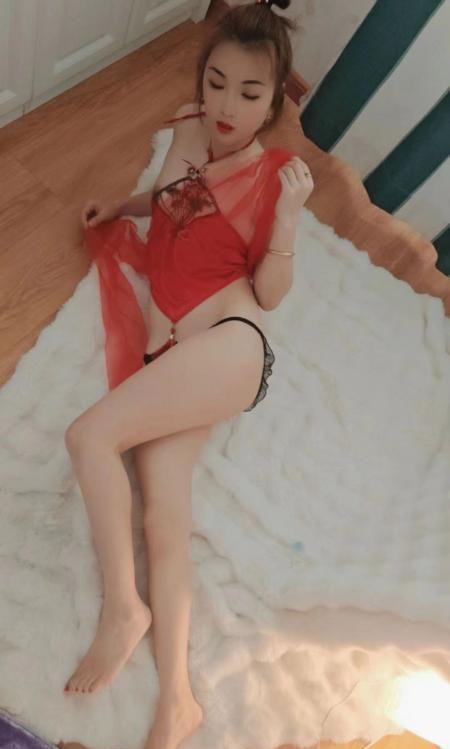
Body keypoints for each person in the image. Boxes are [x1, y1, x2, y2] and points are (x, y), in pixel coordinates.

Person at [63, 0, 314, 746]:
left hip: (231, 343)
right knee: (162, 517)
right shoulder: (185, 132)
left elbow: (270, 294)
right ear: (201, 80)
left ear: (273, 103)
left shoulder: (274, 175)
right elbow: (173, 206)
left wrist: (289, 222)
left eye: (249, 92)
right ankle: (178, 698)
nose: (227, 106)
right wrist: (124, 205)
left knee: (88, 437)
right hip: (176, 352)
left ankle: (123, 608)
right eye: (217, 83)